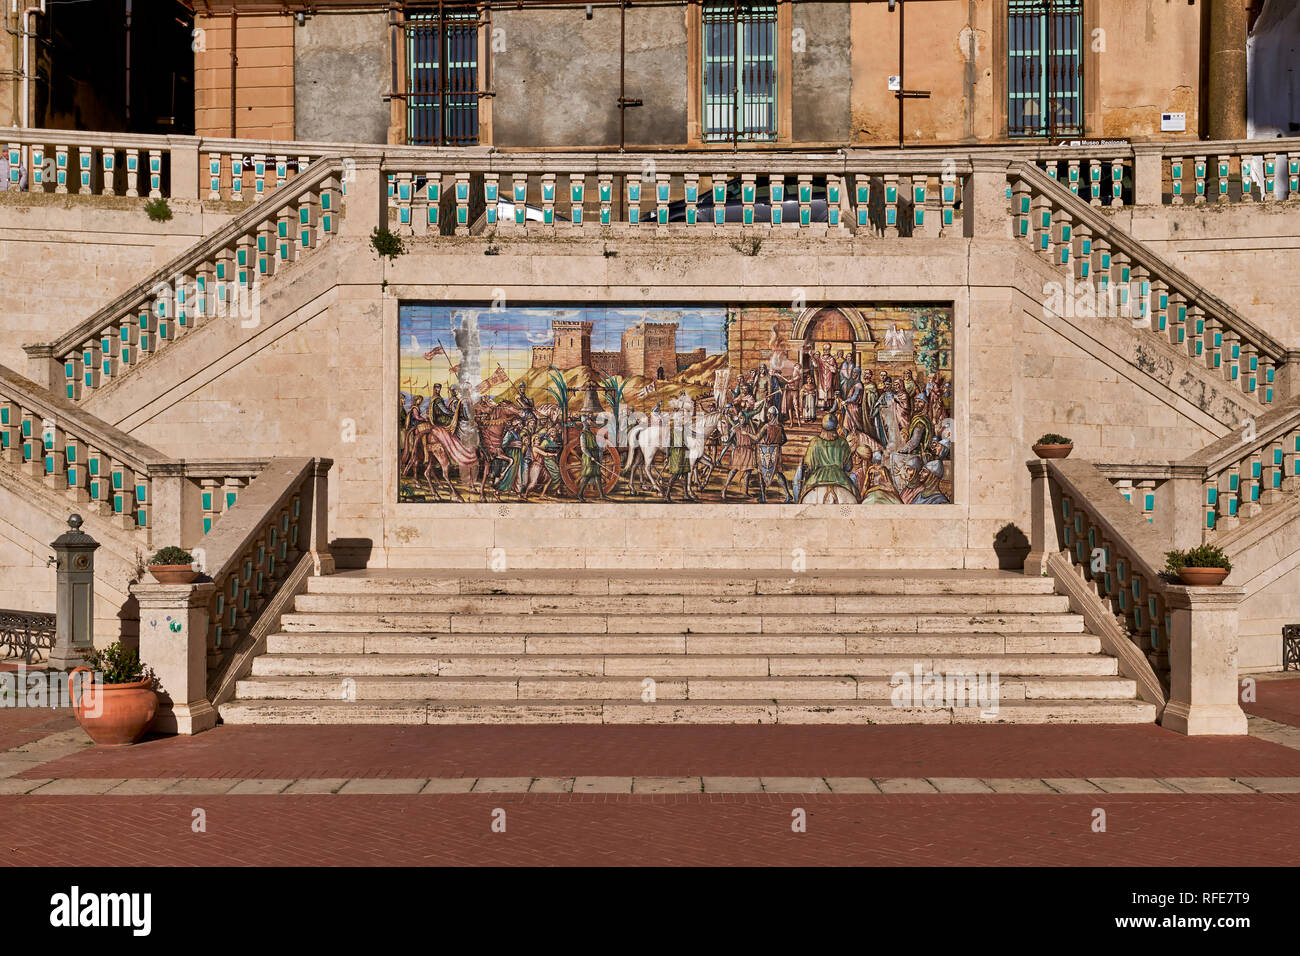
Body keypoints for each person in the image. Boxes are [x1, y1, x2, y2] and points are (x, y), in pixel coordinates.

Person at [797, 415, 856, 500]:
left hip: (816, 478)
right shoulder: (843, 442)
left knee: (801, 496)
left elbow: (809, 466)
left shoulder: (814, 442)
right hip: (841, 478)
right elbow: (848, 467)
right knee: (856, 495)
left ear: (822, 427)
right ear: (836, 427)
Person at [576, 415, 610, 501]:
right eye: (588, 420)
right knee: (587, 476)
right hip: (589, 457)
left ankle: (602, 495)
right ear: (585, 422)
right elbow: (583, 448)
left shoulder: (590, 433)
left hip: (594, 455)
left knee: (598, 475)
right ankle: (580, 494)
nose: (590, 421)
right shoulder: (583, 435)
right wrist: (590, 456)